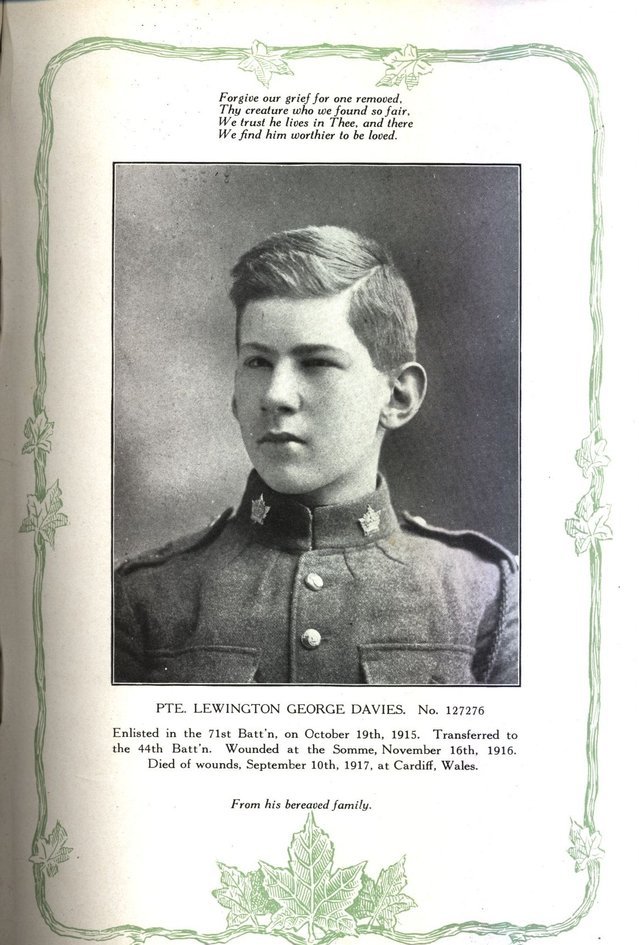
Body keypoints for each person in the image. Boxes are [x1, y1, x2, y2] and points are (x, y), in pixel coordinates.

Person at [114, 225, 518, 685]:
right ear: (233, 393)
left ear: (398, 397)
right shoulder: (146, 597)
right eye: (257, 363)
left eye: (317, 363)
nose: (275, 395)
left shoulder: (483, 591)